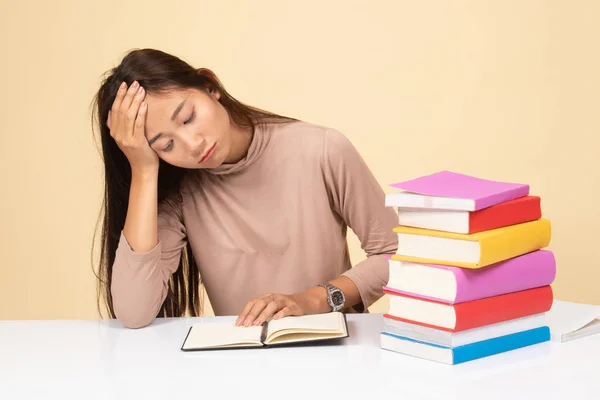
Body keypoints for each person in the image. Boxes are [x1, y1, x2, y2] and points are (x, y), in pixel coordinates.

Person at [91, 48, 398, 329]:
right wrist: (143, 170)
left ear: (211, 87)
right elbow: (133, 313)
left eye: (188, 118)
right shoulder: (181, 193)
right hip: (242, 366)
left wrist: (311, 300)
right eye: (166, 145)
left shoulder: (321, 149)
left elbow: (395, 255)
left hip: (338, 355)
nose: (192, 144)